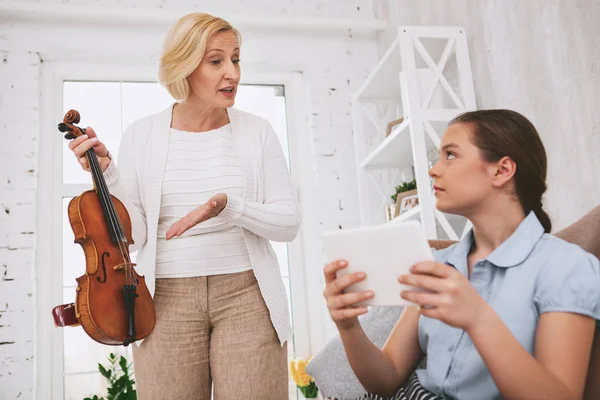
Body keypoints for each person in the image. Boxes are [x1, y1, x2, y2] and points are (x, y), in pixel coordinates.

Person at [68, 12, 299, 399]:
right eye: (216, 61)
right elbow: (136, 236)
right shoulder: (142, 135)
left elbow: (288, 223)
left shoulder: (258, 131)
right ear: (186, 66)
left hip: (247, 296)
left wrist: (230, 207)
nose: (233, 73)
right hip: (164, 301)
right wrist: (108, 176)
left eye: (236, 58)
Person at [322, 109, 600, 400]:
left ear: (502, 170)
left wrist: (479, 319)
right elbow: (386, 378)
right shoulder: (437, 264)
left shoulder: (567, 267)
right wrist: (348, 326)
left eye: (450, 155)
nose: (433, 170)